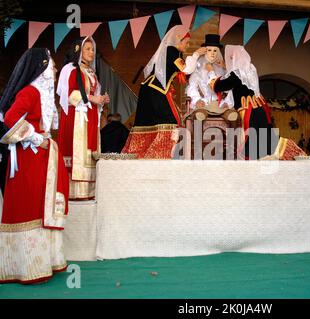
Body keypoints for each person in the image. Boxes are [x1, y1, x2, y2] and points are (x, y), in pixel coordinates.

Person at [0, 48, 70, 284]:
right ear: (40, 67)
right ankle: (27, 267)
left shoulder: (42, 94)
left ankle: (43, 262)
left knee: (43, 206)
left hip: (43, 159)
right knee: (31, 206)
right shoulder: (30, 92)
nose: (55, 69)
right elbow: (10, 118)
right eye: (52, 65)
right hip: (30, 160)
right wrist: (33, 136)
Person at [121, 25, 205, 159]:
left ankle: (145, 154)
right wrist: (197, 54)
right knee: (169, 120)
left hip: (152, 89)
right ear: (178, 39)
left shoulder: (169, 52)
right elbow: (186, 69)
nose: (187, 45)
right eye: (186, 42)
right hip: (156, 89)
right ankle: (159, 155)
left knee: (151, 121)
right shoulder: (172, 51)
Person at [209, 45, 306, 160]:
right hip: (259, 108)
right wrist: (225, 67)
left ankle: (255, 166)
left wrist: (211, 73)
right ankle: (291, 153)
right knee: (266, 137)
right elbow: (238, 81)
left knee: (252, 138)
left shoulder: (237, 73)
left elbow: (219, 86)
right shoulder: (250, 69)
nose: (230, 61)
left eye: (231, 58)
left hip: (250, 111)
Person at [57, 36, 109, 200]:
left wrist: (101, 100)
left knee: (90, 151)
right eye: (87, 49)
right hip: (77, 119)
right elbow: (70, 94)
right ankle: (74, 192)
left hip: (90, 117)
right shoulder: (72, 70)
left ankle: (88, 191)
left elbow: (92, 95)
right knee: (80, 151)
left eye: (92, 49)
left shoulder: (91, 72)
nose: (91, 52)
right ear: (78, 50)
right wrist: (93, 99)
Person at [186, 34, 237, 123]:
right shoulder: (198, 66)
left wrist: (227, 102)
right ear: (205, 51)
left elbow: (229, 87)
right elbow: (192, 85)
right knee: (199, 114)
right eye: (209, 50)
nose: (212, 53)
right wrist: (197, 99)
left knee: (230, 114)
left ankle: (228, 117)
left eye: (215, 50)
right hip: (203, 103)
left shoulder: (222, 67)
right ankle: (201, 115)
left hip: (219, 104)